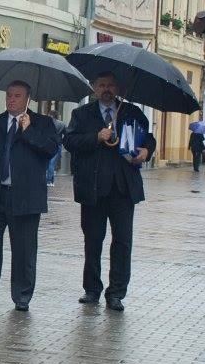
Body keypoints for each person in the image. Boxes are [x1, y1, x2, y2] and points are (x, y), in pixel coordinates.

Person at [63, 72, 155, 311]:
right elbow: (70, 142)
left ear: (117, 88)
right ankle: (92, 289)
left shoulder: (131, 111)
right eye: (102, 85)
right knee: (93, 241)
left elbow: (148, 137)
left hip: (123, 189)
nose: (106, 89)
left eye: (111, 85)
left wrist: (146, 151)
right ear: (94, 88)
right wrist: (96, 136)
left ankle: (116, 293)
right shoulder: (81, 114)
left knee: (122, 241)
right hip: (92, 189)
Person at [0, 81, 58, 311]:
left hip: (26, 198)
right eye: (9, 95)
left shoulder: (43, 124)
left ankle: (22, 296)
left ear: (28, 99)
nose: (11, 99)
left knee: (24, 249)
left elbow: (50, 150)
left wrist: (28, 131)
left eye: (17, 96)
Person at [47, 110, 67, 187]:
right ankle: (51, 181)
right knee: (52, 163)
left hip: (48, 144)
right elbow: (67, 134)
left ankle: (49, 180)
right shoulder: (62, 124)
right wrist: (62, 141)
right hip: (58, 145)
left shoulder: (47, 123)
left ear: (51, 115)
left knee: (49, 163)